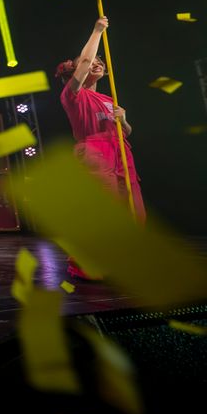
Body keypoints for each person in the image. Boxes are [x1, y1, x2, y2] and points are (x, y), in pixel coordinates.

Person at [55, 17, 144, 275]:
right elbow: (84, 62)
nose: (97, 63)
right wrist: (97, 31)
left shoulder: (106, 98)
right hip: (96, 153)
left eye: (100, 62)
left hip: (121, 153)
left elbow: (126, 132)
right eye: (92, 61)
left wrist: (124, 120)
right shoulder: (73, 95)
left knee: (135, 212)